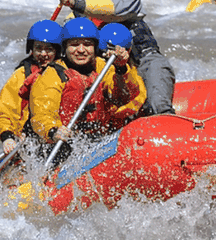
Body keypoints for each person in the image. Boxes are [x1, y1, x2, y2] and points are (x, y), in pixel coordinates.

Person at [57, 0, 175, 116]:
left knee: (158, 103)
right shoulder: (74, 18)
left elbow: (115, 9)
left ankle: (164, 116)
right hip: (109, 73)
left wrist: (77, 3)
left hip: (143, 62)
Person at [29, 20, 146, 164]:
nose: (81, 50)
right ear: (64, 48)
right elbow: (42, 113)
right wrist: (53, 131)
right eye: (74, 44)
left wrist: (121, 69)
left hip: (99, 140)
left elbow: (122, 97)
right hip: (63, 143)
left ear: (95, 47)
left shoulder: (104, 66)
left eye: (87, 44)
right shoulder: (53, 74)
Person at [0, 19, 64, 154]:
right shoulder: (21, 75)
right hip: (31, 138)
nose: (43, 54)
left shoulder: (66, 71)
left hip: (61, 132)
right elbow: (4, 111)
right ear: (31, 49)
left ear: (58, 50)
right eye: (38, 48)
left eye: (49, 49)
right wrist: (7, 136)